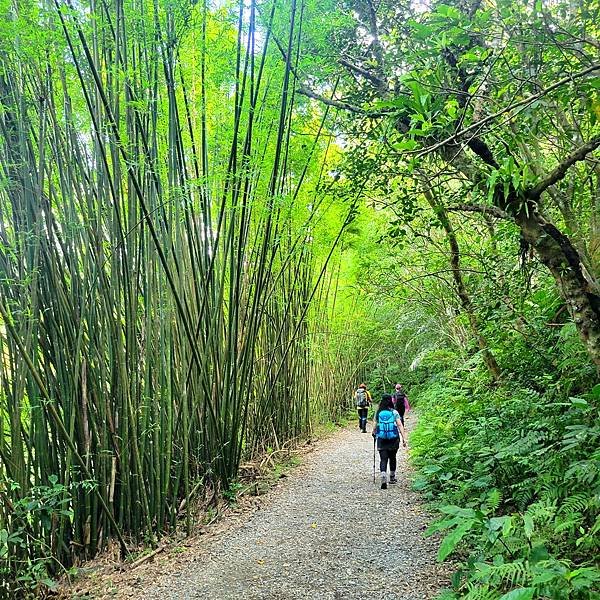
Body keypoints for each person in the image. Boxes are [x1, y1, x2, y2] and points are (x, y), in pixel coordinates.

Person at [373, 394, 407, 489]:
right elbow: (400, 425)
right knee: (392, 457)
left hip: (382, 438)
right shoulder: (394, 412)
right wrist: (404, 438)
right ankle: (392, 477)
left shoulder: (378, 412)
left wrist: (373, 433)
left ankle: (383, 475)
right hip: (394, 438)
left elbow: (375, 425)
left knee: (383, 459)